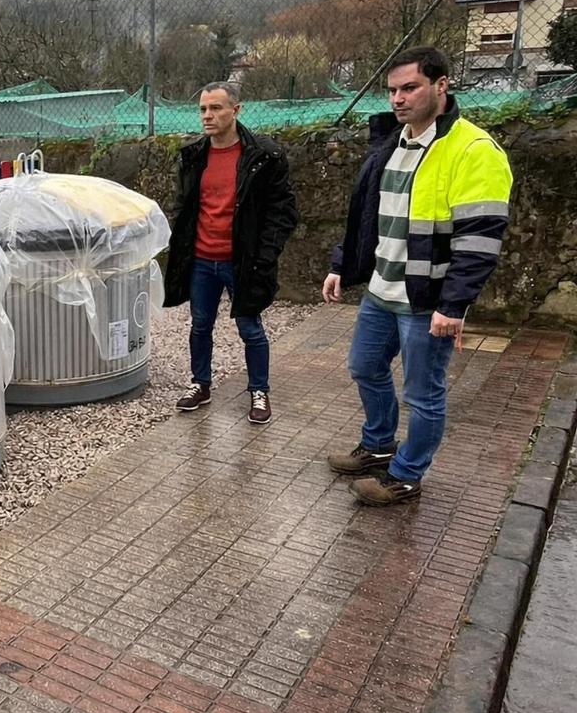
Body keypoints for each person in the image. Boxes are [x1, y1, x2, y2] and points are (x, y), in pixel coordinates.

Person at [322, 46, 513, 506]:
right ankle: (379, 443)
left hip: (426, 298)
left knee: (423, 393)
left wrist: (454, 304)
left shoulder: (473, 150)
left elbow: (481, 237)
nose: (398, 99)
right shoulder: (392, 142)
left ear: (441, 85)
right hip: (381, 289)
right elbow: (366, 216)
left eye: (410, 88)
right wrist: (342, 265)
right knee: (364, 367)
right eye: (392, 90)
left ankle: (406, 474)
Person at [163, 81, 298, 424]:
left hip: (243, 261)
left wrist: (266, 255)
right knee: (199, 325)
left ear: (236, 110)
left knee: (250, 327)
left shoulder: (264, 157)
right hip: (202, 260)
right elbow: (185, 205)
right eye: (203, 109)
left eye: (216, 108)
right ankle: (201, 384)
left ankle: (259, 390)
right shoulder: (194, 156)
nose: (208, 115)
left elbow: (282, 212)